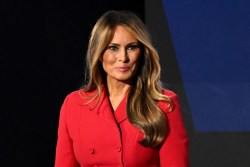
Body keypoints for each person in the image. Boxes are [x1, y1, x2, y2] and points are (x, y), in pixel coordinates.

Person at [54, 10, 189, 167]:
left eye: (131, 47)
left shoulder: (163, 104)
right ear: (98, 52)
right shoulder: (75, 104)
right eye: (113, 48)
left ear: (142, 52)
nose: (123, 57)